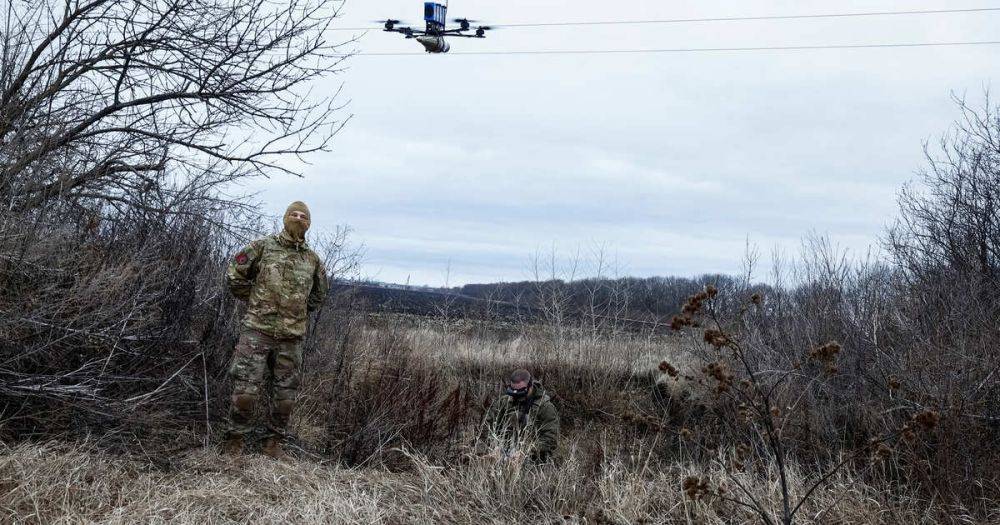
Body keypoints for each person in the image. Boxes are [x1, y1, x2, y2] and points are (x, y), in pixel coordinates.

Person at [221, 201, 328, 459]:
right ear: (285, 218)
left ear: (309, 224)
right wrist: (255, 300)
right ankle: (234, 441)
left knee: (285, 397)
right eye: (294, 214)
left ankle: (273, 444)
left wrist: (296, 312)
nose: (298, 219)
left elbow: (319, 295)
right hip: (257, 331)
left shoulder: (312, 260)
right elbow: (235, 274)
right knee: (245, 392)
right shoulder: (263, 247)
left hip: (291, 338)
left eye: (304, 216)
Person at [479, 369, 560, 463]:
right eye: (513, 392)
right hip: (503, 451)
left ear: (530, 387)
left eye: (521, 392)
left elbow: (550, 440)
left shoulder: (545, 407)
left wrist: (527, 450)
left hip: (533, 457)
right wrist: (493, 446)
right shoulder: (504, 402)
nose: (517, 396)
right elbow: (486, 427)